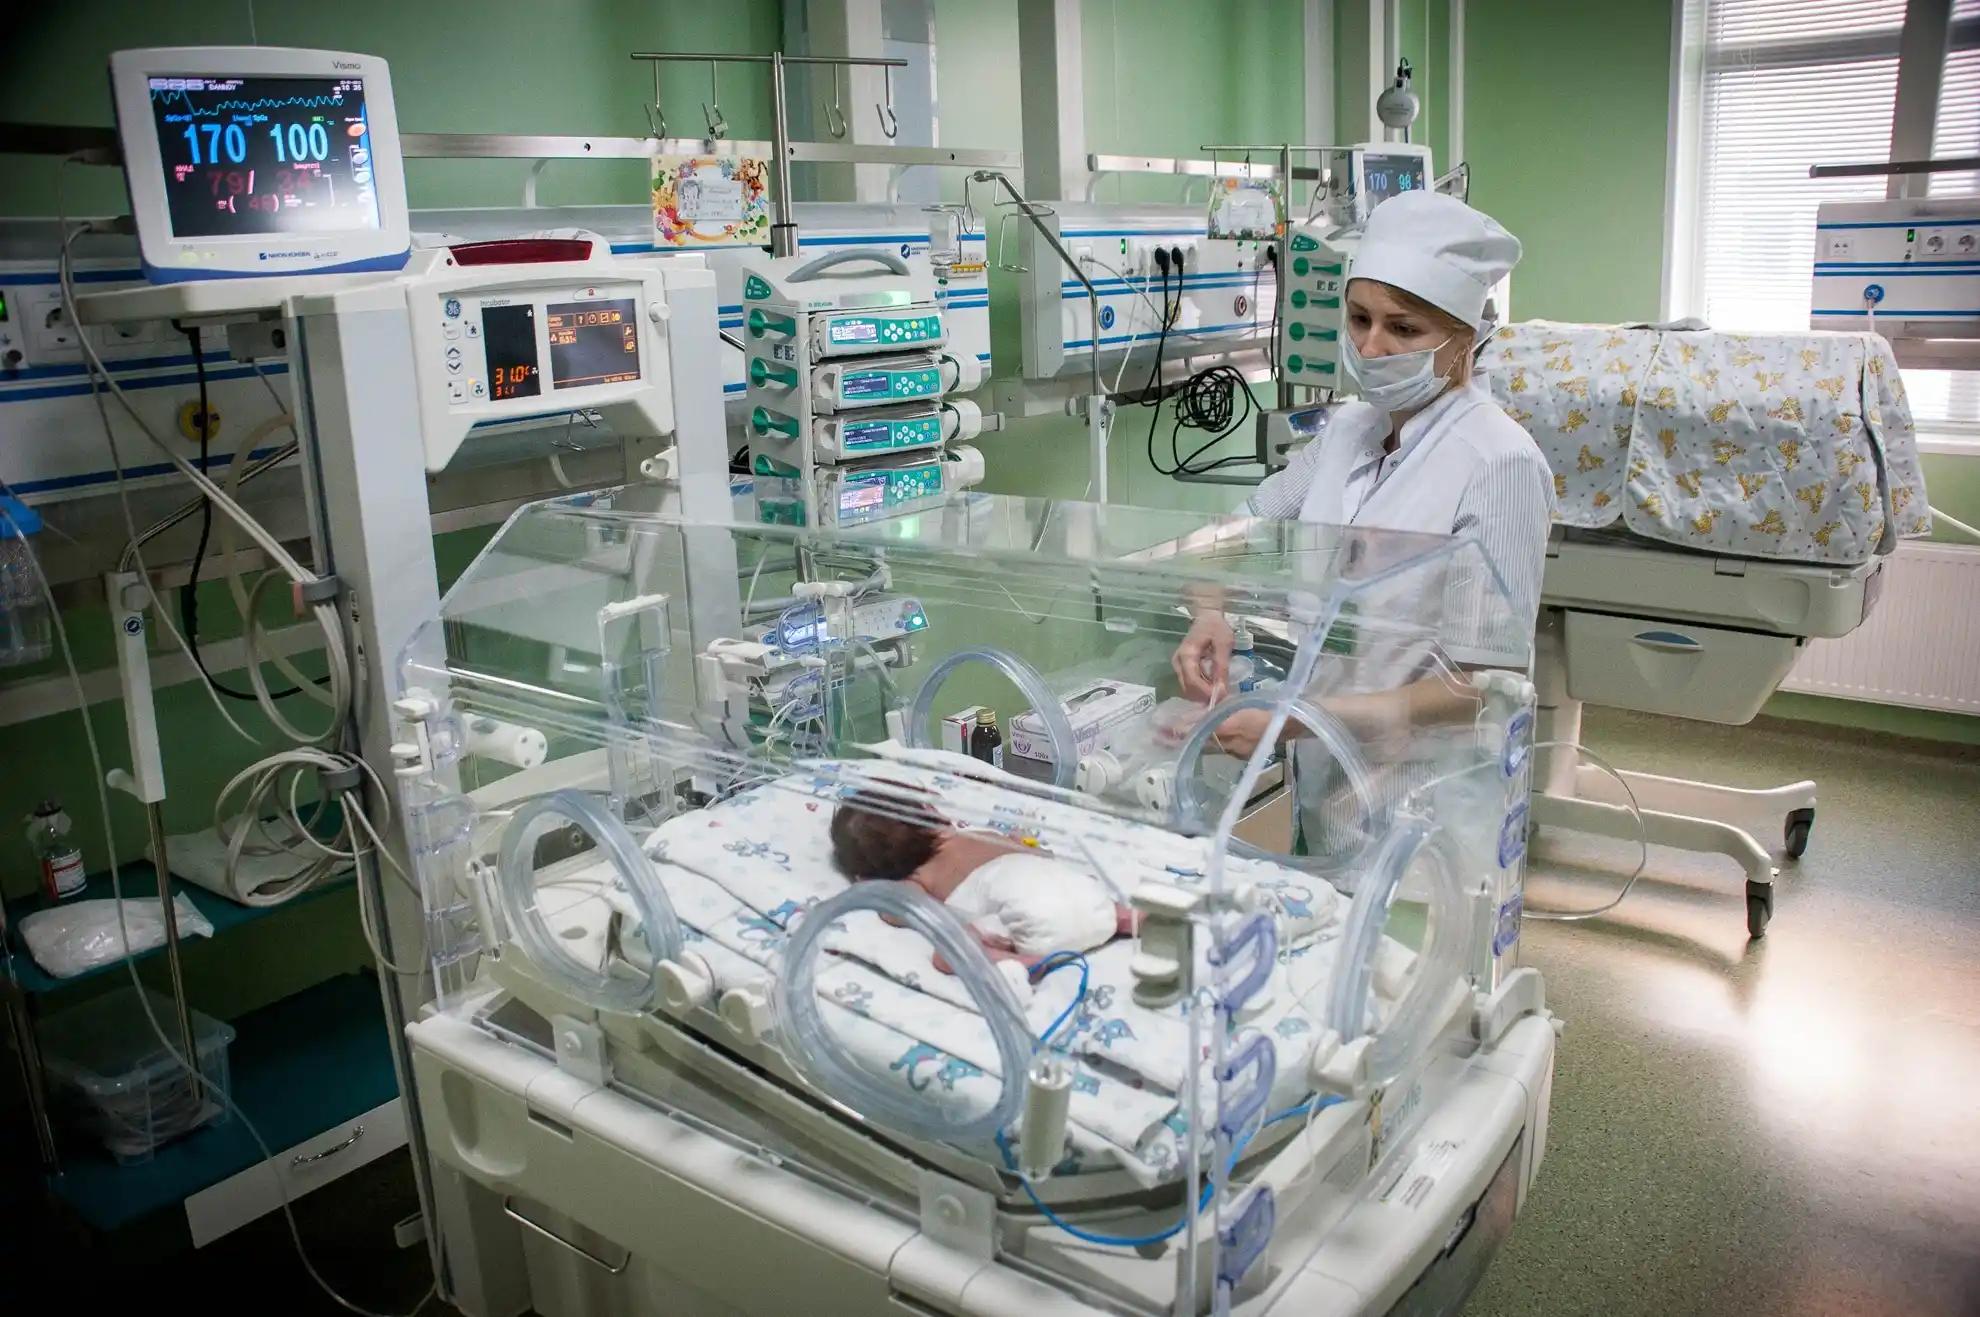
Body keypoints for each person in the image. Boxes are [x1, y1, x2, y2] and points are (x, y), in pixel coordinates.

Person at [1172, 189, 1554, 772]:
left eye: (1402, 329)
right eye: (1359, 319)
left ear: (1464, 338)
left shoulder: (1498, 463)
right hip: (1322, 759)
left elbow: (1481, 683)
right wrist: (1209, 612)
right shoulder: (1348, 430)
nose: (1370, 348)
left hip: (1429, 783)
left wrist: (1299, 720)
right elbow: (1224, 540)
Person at [829, 790, 1136, 970]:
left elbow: (896, 910)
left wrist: (870, 889)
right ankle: (1128, 919)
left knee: (948, 954)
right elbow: (1042, 855)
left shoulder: (921, 878)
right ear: (931, 812)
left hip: (1029, 924)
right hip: (1088, 899)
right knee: (1086, 897)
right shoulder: (979, 834)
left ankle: (1021, 964)